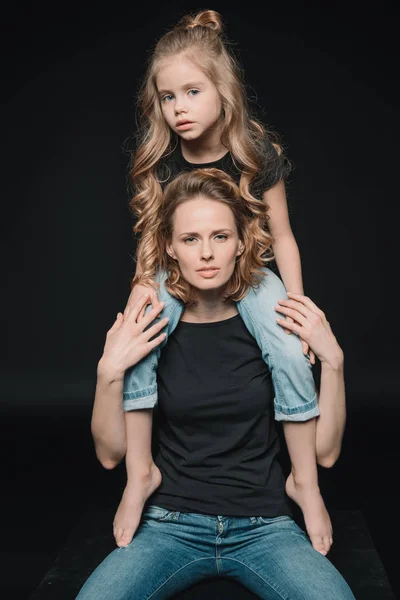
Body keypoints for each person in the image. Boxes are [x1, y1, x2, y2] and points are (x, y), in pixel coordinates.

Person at [114, 9, 334, 554]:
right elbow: (153, 246)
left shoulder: (253, 155)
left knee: (287, 349)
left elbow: (282, 237)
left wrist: (298, 309)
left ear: (223, 93)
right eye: (168, 97)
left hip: (250, 273)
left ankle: (303, 479)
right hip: (174, 272)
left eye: (191, 91)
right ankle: (140, 473)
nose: (179, 108)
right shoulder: (162, 161)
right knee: (139, 346)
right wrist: (138, 302)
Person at [78, 168, 352, 599]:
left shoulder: (271, 326)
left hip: (264, 526)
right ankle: (142, 480)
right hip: (170, 524)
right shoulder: (152, 329)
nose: (206, 253)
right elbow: (110, 454)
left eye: (220, 237)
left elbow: (328, 453)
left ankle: (304, 491)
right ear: (169, 246)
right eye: (190, 239)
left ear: (241, 242)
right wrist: (107, 372)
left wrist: (333, 361)